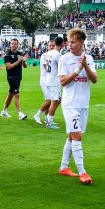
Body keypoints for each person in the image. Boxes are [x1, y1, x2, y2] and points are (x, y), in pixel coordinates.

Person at [57, 28, 97, 185]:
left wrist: (85, 65)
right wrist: (77, 69)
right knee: (77, 136)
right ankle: (83, 173)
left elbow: (94, 79)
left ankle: (63, 167)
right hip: (70, 104)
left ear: (81, 42)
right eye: (69, 42)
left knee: (71, 136)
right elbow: (63, 82)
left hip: (83, 104)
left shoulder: (89, 58)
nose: (70, 45)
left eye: (73, 42)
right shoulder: (64, 59)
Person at [1, 39, 28, 120]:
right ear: (10, 44)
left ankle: (4, 111)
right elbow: (8, 67)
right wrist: (18, 61)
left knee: (11, 93)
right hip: (11, 77)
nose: (14, 45)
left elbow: (25, 66)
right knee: (16, 94)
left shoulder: (20, 54)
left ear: (18, 45)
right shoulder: (7, 55)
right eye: (12, 44)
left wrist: (23, 61)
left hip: (18, 76)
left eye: (15, 44)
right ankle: (19, 113)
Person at [44, 37, 64, 129]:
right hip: (54, 80)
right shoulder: (57, 55)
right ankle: (49, 122)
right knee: (54, 101)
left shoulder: (49, 53)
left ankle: (48, 119)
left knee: (57, 99)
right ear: (62, 43)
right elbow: (62, 68)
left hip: (48, 78)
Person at [33, 40, 54, 125]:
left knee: (49, 99)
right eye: (50, 45)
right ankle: (37, 115)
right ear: (47, 46)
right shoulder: (44, 55)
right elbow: (47, 68)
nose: (51, 47)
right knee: (50, 99)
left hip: (50, 80)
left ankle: (46, 118)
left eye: (53, 45)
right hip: (45, 80)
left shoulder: (55, 55)